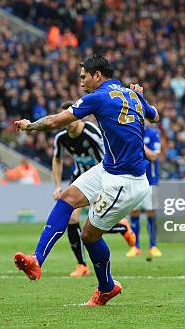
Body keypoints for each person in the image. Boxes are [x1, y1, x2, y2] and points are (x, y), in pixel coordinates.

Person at [13, 53, 159, 306]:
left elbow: (55, 122)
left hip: (126, 181)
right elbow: (154, 116)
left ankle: (106, 287)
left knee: (89, 236)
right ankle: (36, 260)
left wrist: (29, 126)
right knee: (67, 196)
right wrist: (142, 96)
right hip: (108, 168)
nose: (81, 83)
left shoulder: (98, 97)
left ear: (97, 76)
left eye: (83, 77)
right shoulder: (132, 94)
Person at [53, 101, 136, 277]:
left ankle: (123, 228)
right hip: (80, 178)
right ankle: (82, 265)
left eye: (70, 118)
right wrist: (58, 185)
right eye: (64, 119)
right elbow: (57, 159)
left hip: (101, 177)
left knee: (94, 223)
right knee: (72, 218)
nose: (67, 122)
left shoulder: (91, 133)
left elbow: (106, 157)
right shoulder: (61, 137)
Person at [127, 122, 161, 257]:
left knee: (151, 213)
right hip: (133, 180)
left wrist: (140, 143)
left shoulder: (153, 134)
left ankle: (153, 246)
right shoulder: (130, 133)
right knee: (134, 213)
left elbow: (154, 156)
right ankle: (135, 247)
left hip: (150, 181)